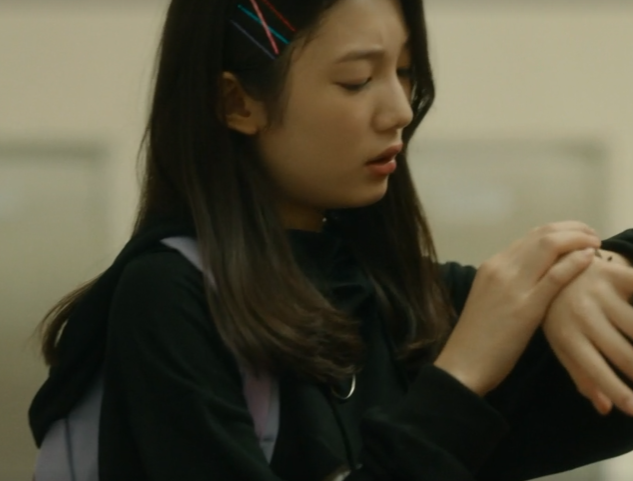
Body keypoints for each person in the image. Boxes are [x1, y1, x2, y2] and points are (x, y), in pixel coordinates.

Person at [29, 0, 633, 480]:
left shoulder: (394, 298)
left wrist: (591, 273)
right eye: (356, 80)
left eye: (404, 72)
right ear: (237, 102)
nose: (399, 110)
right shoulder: (169, 298)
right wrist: (462, 375)